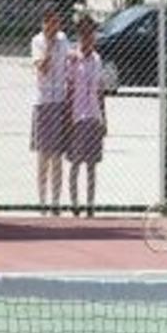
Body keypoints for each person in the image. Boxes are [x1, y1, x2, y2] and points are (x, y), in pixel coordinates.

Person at [31, 6, 71, 212]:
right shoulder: (38, 41)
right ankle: (42, 200)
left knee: (57, 155)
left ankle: (56, 201)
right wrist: (49, 45)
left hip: (59, 102)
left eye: (58, 22)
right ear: (45, 24)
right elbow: (43, 69)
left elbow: (69, 61)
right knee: (43, 155)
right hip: (43, 102)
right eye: (52, 23)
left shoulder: (64, 39)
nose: (57, 27)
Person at [65, 17, 105, 215]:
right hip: (77, 116)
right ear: (80, 36)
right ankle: (74, 203)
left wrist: (104, 119)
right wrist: (67, 119)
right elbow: (69, 89)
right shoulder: (73, 58)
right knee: (75, 162)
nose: (89, 38)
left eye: (91, 34)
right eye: (84, 34)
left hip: (93, 116)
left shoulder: (97, 60)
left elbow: (99, 90)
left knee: (92, 165)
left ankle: (90, 204)